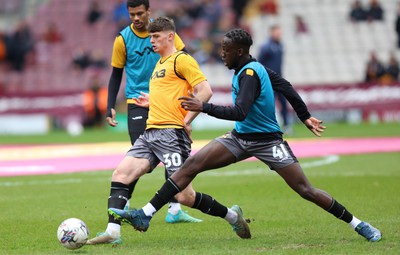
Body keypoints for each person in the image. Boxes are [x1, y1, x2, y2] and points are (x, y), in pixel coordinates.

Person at [109, 28, 382, 243]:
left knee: (305, 190)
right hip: (239, 138)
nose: (221, 54)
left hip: (267, 141)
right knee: (191, 166)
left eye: (226, 50)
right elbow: (285, 86)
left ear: (239, 51)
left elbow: (240, 111)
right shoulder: (250, 67)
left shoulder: (250, 73)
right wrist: (304, 115)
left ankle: (359, 224)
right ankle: (145, 214)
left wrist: (204, 107)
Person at [87, 1, 203, 245]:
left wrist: (186, 105)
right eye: (132, 14)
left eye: (140, 13)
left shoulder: (162, 34)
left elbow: (181, 59)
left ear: (149, 12)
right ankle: (123, 209)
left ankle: (173, 210)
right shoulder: (123, 39)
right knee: (141, 161)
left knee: (166, 156)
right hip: (137, 103)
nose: (136, 18)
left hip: (164, 103)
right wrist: (110, 104)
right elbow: (116, 73)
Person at [258, 25, 292, 134]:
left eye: (280, 33)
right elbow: (259, 63)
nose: (279, 35)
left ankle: (287, 125)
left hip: (279, 80)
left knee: (283, 103)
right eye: (277, 32)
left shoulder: (281, 46)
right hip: (268, 81)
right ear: (271, 32)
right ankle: (268, 127)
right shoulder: (266, 47)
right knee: (269, 104)